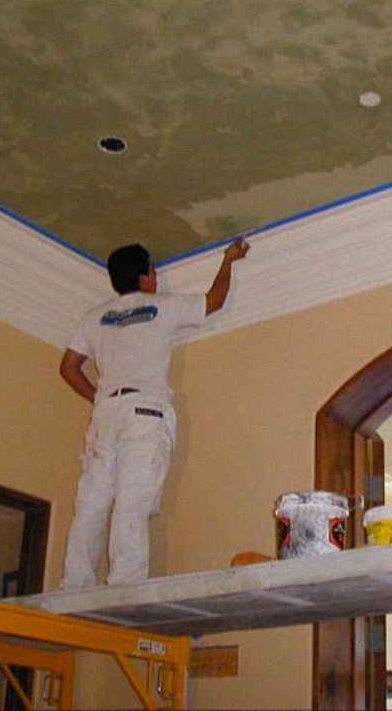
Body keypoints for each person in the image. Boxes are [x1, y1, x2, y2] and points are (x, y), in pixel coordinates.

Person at [57, 238, 249, 589]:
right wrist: (229, 259)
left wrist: (99, 398)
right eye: (153, 270)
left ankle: (74, 585)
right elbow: (214, 301)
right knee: (132, 503)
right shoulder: (160, 307)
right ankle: (124, 587)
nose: (157, 276)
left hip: (106, 415)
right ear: (143, 277)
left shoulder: (94, 318)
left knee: (91, 505)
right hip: (144, 413)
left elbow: (69, 367)